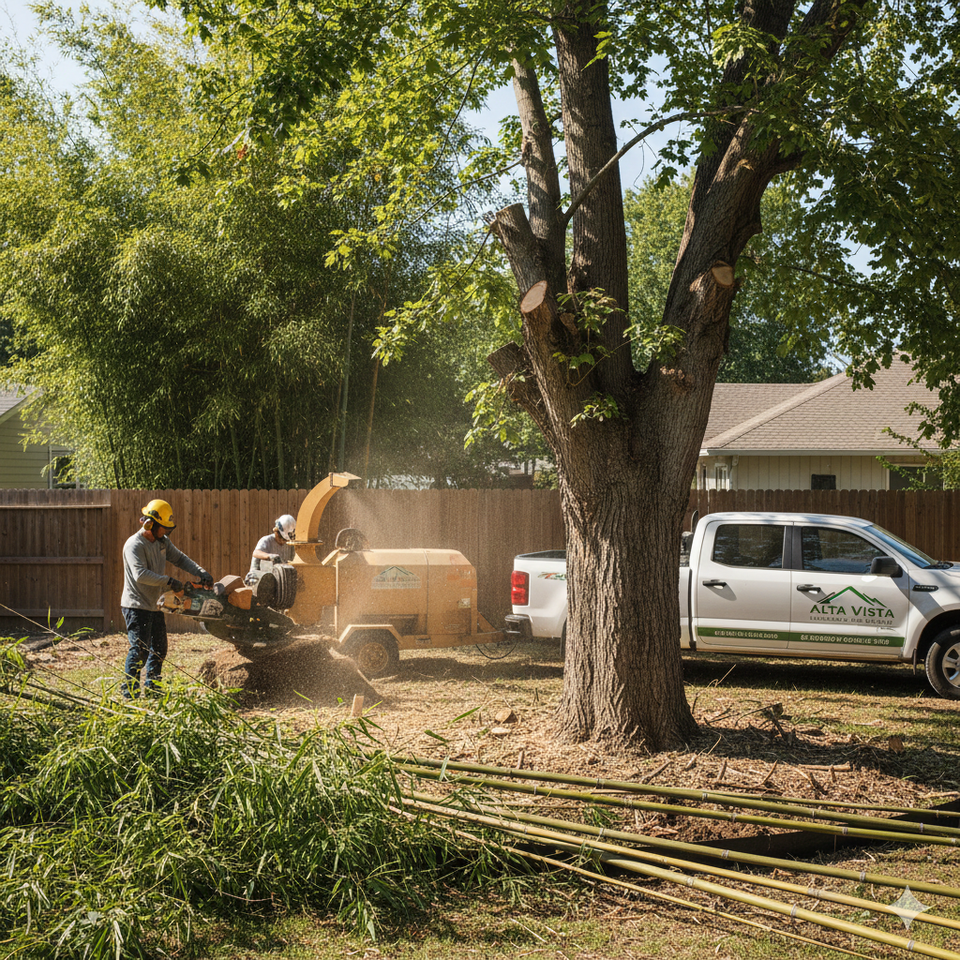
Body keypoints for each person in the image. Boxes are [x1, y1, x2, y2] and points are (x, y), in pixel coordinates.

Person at [121, 498, 212, 698]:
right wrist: (169, 582)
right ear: (149, 524)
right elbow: (140, 575)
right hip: (136, 605)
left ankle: (153, 688)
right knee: (139, 650)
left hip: (153, 605)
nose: (166, 533)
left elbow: (179, 558)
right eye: (164, 528)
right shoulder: (134, 545)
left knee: (159, 649)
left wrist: (201, 572)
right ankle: (130, 694)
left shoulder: (162, 542)